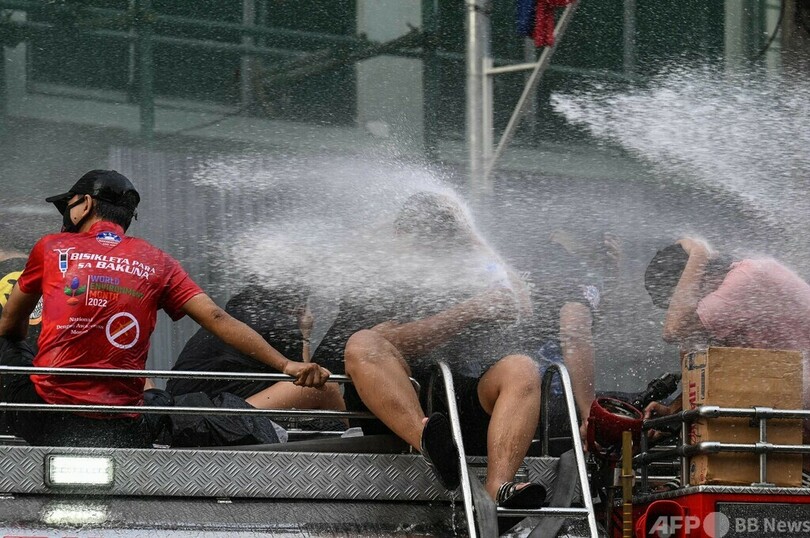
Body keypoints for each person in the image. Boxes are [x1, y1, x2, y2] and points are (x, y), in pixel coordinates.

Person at [0, 170, 330, 448]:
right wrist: (286, 365)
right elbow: (217, 317)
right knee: (157, 398)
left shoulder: (52, 247)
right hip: (124, 428)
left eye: (68, 205)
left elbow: (11, 326)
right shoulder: (157, 261)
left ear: (84, 205)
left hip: (45, 417)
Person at [344, 191, 549, 508]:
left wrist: (473, 235)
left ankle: (499, 487)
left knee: (522, 368)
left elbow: (522, 304)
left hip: (456, 397)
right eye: (426, 233)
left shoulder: (463, 269)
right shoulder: (376, 277)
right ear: (402, 232)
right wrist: (470, 311)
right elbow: (390, 341)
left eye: (442, 234)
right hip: (397, 400)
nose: (433, 243)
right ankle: (428, 443)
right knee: (362, 343)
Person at [642, 237, 810, 423]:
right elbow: (705, 365)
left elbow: (673, 331)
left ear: (695, 279)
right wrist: (674, 411)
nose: (681, 307)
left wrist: (698, 253)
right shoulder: (731, 303)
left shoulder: (747, 278)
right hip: (793, 414)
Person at [167, 278, 345, 415]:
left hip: (179, 411)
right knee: (326, 387)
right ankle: (347, 448)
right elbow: (306, 378)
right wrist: (305, 334)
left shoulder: (237, 315)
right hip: (210, 417)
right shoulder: (279, 327)